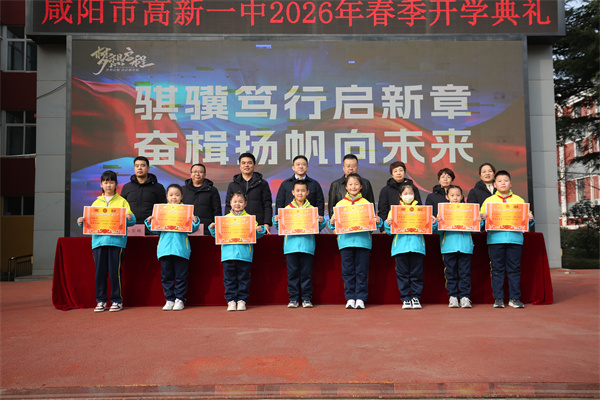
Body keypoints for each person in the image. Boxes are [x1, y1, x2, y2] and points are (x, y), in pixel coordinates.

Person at [77, 170, 136, 313]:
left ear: (116, 184)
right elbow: (89, 222)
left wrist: (129, 218)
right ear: (101, 184)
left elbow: (132, 220)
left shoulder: (122, 201)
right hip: (98, 243)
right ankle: (101, 300)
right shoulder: (96, 202)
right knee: (100, 273)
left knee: (115, 272)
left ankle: (116, 300)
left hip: (116, 242)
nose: (108, 185)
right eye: (105, 182)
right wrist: (81, 221)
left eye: (111, 182)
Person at [480, 170, 535, 309]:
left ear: (511, 183)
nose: (503, 183)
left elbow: (528, 220)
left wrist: (530, 218)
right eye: (499, 181)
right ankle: (498, 298)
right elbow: (480, 223)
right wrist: (482, 218)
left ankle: (514, 298)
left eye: (505, 180)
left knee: (514, 269)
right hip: (495, 240)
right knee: (497, 269)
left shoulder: (519, 200)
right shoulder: (489, 201)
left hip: (515, 240)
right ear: (494, 185)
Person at [327, 173, 382, 309]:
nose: (353, 187)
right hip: (345, 242)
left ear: (361, 186)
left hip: (363, 242)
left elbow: (374, 224)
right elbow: (332, 225)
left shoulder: (367, 204)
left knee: (362, 271)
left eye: (356, 184)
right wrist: (332, 222)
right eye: (350, 184)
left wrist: (378, 221)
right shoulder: (340, 204)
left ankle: (361, 298)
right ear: (346, 187)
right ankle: (350, 297)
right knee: (347, 271)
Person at [145, 184, 201, 311]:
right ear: (167, 196)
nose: (174, 197)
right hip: (165, 249)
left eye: (177, 195)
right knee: (166, 276)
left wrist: (195, 221)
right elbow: (156, 230)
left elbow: (192, 229)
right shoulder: (161, 211)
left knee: (181, 276)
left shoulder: (186, 211)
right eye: (171, 195)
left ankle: (179, 299)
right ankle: (169, 299)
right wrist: (149, 223)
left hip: (181, 249)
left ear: (182, 196)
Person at [273, 180, 327, 308]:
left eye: (303, 190)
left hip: (307, 246)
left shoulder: (312, 210)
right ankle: (293, 298)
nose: (300, 193)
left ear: (308, 192)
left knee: (306, 274)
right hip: (291, 247)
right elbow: (279, 227)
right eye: (297, 190)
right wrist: (275, 220)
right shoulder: (286, 210)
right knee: (292, 274)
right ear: (292, 192)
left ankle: (306, 298)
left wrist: (322, 221)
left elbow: (320, 227)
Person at [209, 192, 266, 311]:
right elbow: (217, 235)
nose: (237, 204)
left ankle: (242, 301)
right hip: (228, 255)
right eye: (235, 201)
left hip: (244, 255)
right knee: (229, 280)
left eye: (240, 202)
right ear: (230, 203)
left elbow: (257, 234)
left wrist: (259, 230)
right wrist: (213, 228)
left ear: (245, 204)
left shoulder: (250, 219)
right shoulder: (224, 219)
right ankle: (231, 301)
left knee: (243, 279)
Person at [384, 183, 432, 310]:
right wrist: (387, 224)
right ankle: (405, 298)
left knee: (417, 273)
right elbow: (389, 231)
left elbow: (429, 228)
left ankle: (416, 297)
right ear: (400, 195)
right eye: (405, 194)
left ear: (415, 195)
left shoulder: (421, 210)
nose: (408, 196)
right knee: (402, 274)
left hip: (417, 246)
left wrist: (432, 222)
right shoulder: (394, 211)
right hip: (400, 247)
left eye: (411, 193)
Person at [432, 185, 477, 308]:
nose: (455, 198)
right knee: (450, 273)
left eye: (458, 195)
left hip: (465, 246)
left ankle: (465, 297)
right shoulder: (442, 212)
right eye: (452, 195)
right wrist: (437, 223)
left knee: (465, 273)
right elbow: (437, 231)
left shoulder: (469, 211)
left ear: (462, 196)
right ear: (447, 197)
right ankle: (453, 297)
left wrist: (479, 220)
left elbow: (475, 228)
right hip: (448, 246)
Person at [225, 153, 273, 232]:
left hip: (258, 225)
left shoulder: (262, 184)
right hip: (238, 225)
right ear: (240, 166)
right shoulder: (232, 185)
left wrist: (267, 223)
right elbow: (228, 205)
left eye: (249, 163)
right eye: (243, 163)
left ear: (254, 165)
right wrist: (227, 223)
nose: (246, 165)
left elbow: (267, 204)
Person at [121, 156, 167, 234]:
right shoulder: (127, 187)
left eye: (142, 165)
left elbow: (162, 209)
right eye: (137, 166)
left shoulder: (158, 187)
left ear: (148, 168)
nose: (139, 168)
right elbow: (122, 208)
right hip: (130, 228)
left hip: (151, 228)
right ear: (134, 168)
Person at [328, 154, 375, 218]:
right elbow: (331, 208)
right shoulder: (335, 185)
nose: (351, 168)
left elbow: (371, 206)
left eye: (353, 166)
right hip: (343, 221)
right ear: (343, 168)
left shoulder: (365, 183)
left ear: (357, 167)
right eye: (348, 166)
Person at [182, 163, 222, 235]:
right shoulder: (183, 190)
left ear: (205, 174)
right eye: (195, 171)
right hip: (187, 227)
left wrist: (215, 226)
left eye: (200, 172)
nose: (197, 174)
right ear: (190, 174)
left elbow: (217, 210)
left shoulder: (212, 190)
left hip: (207, 228)